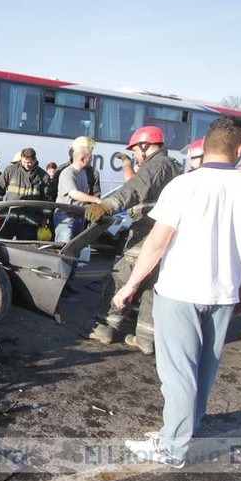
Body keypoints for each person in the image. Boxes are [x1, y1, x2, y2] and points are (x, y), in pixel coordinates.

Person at [113, 116, 241, 467]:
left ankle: (173, 447)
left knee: (177, 372)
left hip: (180, 291)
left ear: (204, 144)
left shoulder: (183, 186)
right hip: (224, 293)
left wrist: (130, 285)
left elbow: (156, 244)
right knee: (204, 368)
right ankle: (185, 428)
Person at [83, 126, 182, 354]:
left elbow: (136, 189)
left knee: (120, 278)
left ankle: (103, 329)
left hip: (147, 234)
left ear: (145, 146)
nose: (135, 154)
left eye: (135, 150)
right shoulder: (172, 167)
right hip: (163, 235)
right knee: (150, 287)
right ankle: (146, 339)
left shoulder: (158, 165)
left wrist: (107, 205)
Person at [53, 141, 102, 242]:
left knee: (75, 250)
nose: (91, 160)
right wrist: (96, 200)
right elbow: (74, 193)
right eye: (90, 158)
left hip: (79, 216)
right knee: (63, 248)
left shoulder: (83, 173)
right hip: (65, 218)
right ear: (82, 159)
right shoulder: (67, 173)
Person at [0, 147, 50, 239]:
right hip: (9, 217)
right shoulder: (11, 170)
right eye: (24, 162)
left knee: (25, 248)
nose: (26, 165)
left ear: (35, 160)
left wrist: (45, 219)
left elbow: (47, 200)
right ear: (20, 159)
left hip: (29, 220)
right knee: (2, 243)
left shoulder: (43, 176)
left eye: (29, 162)